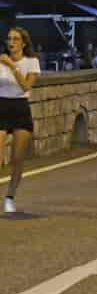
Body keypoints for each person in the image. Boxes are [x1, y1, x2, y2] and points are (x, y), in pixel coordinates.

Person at [0, 27, 40, 214]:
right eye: (9, 39)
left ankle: (10, 197)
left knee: (17, 159)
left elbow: (25, 86)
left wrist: (12, 66)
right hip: (2, 106)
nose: (11, 42)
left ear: (23, 43)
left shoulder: (31, 62)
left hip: (20, 108)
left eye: (15, 39)